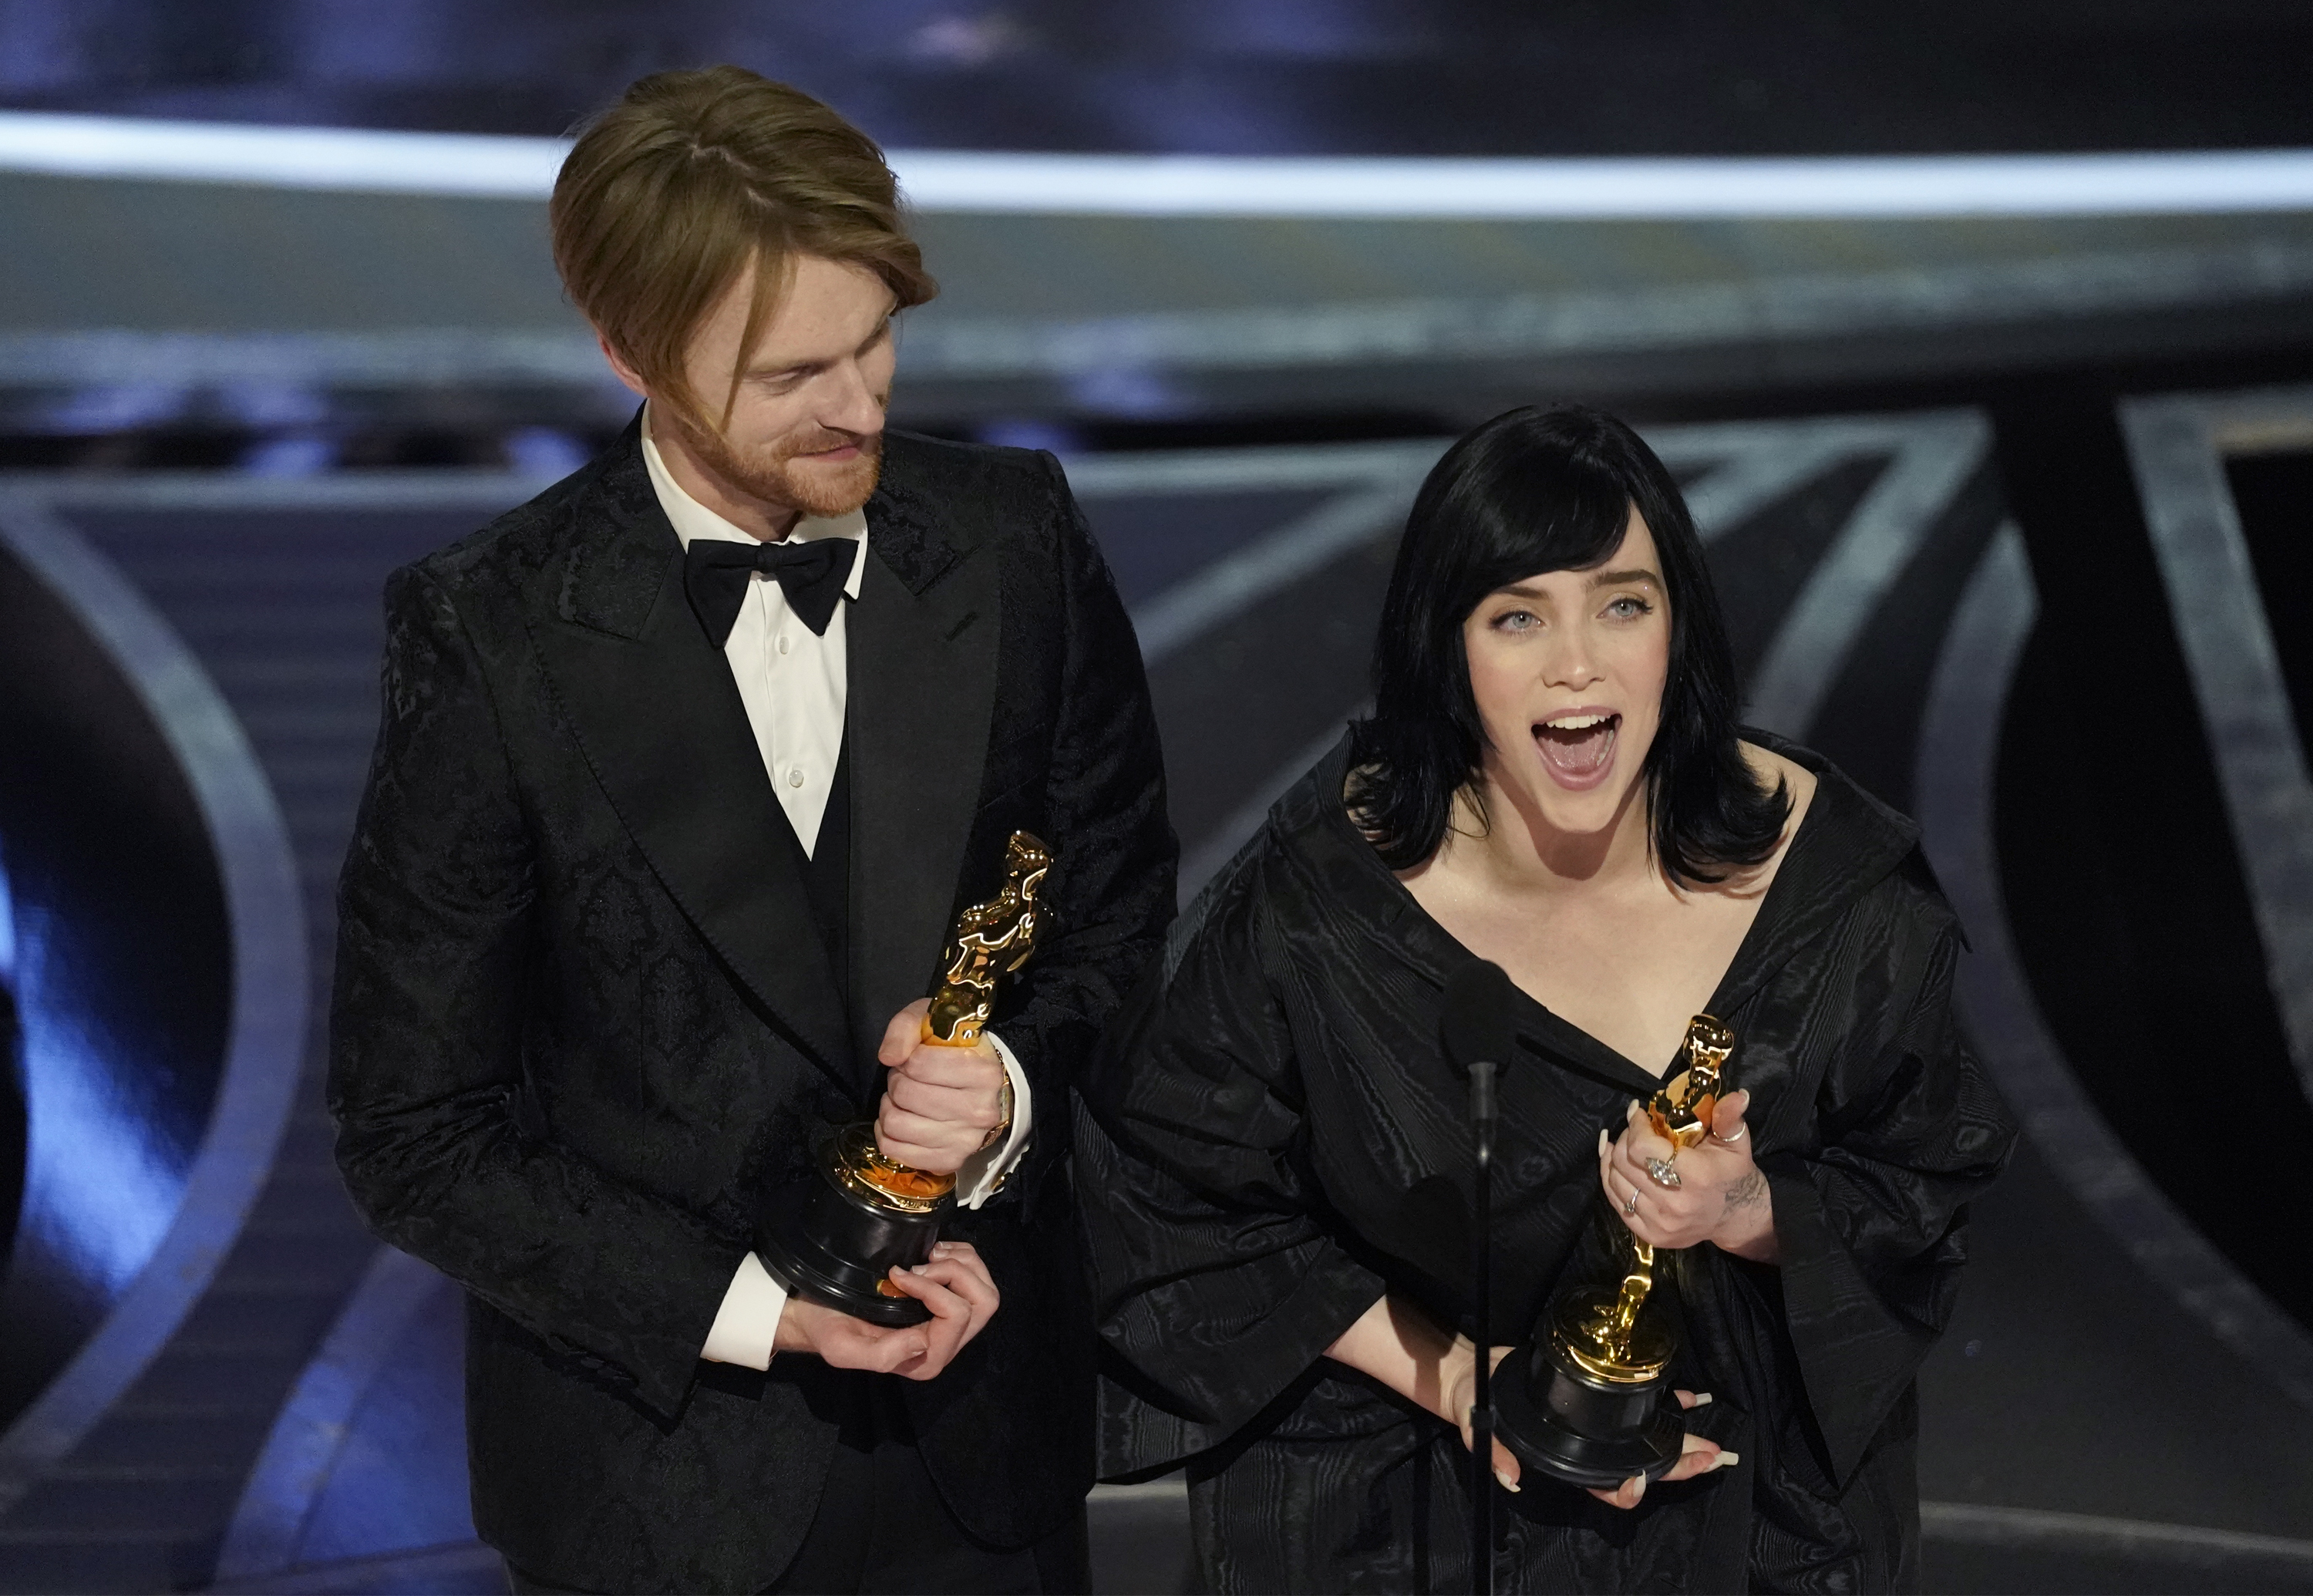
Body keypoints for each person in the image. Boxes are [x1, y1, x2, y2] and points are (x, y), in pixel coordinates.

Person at [329, 66, 1174, 1594]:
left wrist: (1011, 1093)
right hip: (655, 1495)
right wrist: (754, 1302)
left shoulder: (1017, 539)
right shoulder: (492, 631)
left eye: (877, 341)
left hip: (987, 1461)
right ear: (627, 352)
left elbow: (1117, 921)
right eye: (794, 375)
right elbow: (415, 1134)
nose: (863, 407)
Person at [1075, 404, 2015, 1592]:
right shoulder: (1321, 908)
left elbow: (1923, 1181)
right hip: (1404, 1524)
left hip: (1759, 1531)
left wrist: (1752, 1208)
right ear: (1449, 652)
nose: (1579, 662)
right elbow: (1167, 1191)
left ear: (1680, 628)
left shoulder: (1844, 897)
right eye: (1518, 616)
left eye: (1623, 603)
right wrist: (1458, 1376)